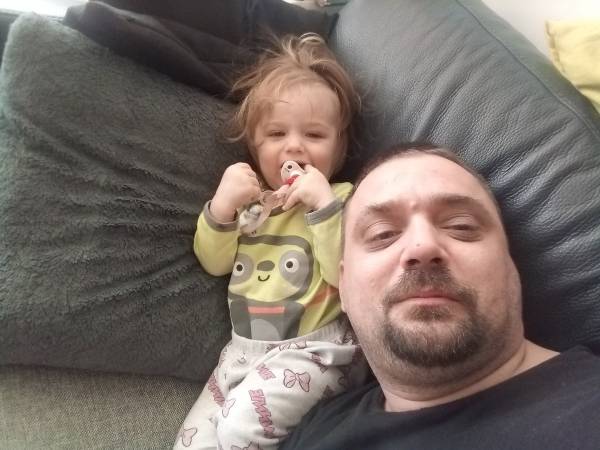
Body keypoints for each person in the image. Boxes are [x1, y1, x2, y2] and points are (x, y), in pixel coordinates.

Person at [280, 144, 600, 450]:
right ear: (343, 285)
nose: (422, 246)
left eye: (461, 226)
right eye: (382, 234)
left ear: (510, 265)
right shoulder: (313, 428)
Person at [174, 34, 367, 450]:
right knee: (192, 442)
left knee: (241, 430)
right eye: (276, 133)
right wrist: (222, 206)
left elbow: (346, 275)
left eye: (314, 134)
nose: (294, 145)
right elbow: (215, 263)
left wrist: (322, 206)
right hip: (241, 353)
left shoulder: (341, 198)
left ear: (339, 148)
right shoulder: (251, 206)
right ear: (255, 147)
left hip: (317, 350)